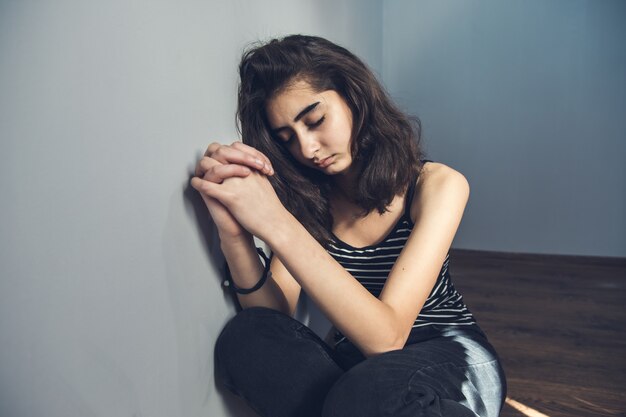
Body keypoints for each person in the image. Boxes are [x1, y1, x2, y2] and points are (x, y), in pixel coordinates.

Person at [191, 35, 506, 417]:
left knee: (369, 390)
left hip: (446, 352)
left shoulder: (437, 185)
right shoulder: (308, 202)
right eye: (287, 138)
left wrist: (275, 221)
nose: (307, 149)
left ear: (354, 95)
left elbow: (388, 338)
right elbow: (271, 314)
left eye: (315, 120)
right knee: (246, 337)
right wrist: (234, 232)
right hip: (356, 369)